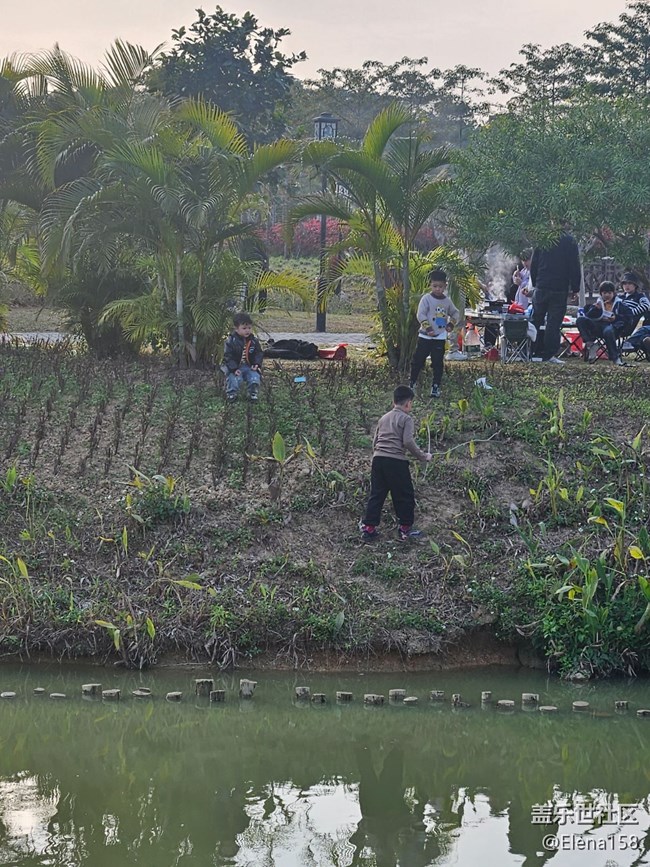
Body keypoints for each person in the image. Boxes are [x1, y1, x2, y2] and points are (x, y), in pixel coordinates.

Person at [360, 385, 432, 542]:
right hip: (396, 462)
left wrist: (377, 455)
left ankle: (369, 528)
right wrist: (422, 456)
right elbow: (407, 441)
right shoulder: (406, 419)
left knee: (377, 494)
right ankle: (405, 529)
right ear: (408, 404)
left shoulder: (383, 418)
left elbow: (375, 440)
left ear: (393, 401)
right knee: (404, 495)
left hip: (378, 460)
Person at [530, 225, 582, 363]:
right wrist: (575, 288)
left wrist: (535, 283)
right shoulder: (569, 241)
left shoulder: (543, 239)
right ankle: (548, 355)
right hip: (559, 288)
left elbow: (534, 263)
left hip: (541, 285)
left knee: (535, 320)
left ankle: (530, 351)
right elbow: (574, 265)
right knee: (553, 323)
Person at [409, 269, 460, 398]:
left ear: (445, 286)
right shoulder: (426, 299)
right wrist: (427, 328)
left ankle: (435, 387)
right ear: (430, 285)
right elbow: (420, 314)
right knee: (418, 360)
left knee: (437, 362)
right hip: (425, 336)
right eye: (435, 286)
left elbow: (455, 313)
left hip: (440, 336)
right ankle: (412, 383)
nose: (437, 289)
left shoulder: (447, 301)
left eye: (440, 286)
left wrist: (451, 324)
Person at [575, 281, 626, 364]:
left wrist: (615, 318)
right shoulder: (598, 303)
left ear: (613, 293)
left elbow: (627, 317)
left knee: (608, 330)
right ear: (601, 293)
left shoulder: (620, 303)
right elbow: (588, 315)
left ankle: (615, 358)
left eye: (609, 293)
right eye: (604, 293)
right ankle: (590, 343)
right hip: (598, 325)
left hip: (612, 327)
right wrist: (595, 309)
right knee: (580, 320)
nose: (607, 295)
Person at [222, 312, 263, 401]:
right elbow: (228, 356)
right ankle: (232, 394)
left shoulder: (253, 341)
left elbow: (258, 353)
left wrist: (256, 363)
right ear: (236, 329)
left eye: (249, 328)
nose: (247, 330)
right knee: (234, 379)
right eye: (244, 328)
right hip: (235, 366)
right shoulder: (231, 341)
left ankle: (252, 394)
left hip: (249, 366)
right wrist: (234, 368)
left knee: (254, 377)